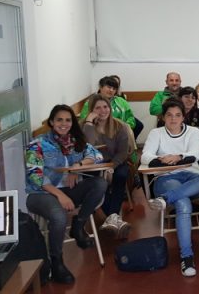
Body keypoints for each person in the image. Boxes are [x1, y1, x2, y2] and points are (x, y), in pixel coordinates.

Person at [25, 105, 107, 284]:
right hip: (41, 193)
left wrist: (76, 167)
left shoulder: (76, 142)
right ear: (52, 122)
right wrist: (60, 196)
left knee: (100, 183)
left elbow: (97, 156)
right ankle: (56, 263)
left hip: (68, 189)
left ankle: (78, 226)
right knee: (59, 217)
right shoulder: (37, 144)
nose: (64, 124)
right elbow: (35, 177)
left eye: (68, 120)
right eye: (59, 120)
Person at [143, 99, 199, 277]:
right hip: (166, 177)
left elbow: (194, 155)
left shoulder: (192, 131)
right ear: (163, 117)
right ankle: (187, 257)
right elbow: (145, 156)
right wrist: (161, 159)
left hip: (192, 177)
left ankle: (166, 199)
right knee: (183, 203)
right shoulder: (156, 133)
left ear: (183, 117)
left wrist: (178, 157)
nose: (173, 119)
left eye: (178, 115)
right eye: (169, 115)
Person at [82, 94, 133, 238]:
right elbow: (87, 147)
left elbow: (123, 153)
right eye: (97, 108)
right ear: (91, 111)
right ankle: (113, 217)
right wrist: (89, 123)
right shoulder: (84, 126)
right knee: (98, 181)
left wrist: (111, 167)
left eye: (105, 107)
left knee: (121, 175)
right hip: (92, 166)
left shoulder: (119, 126)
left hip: (115, 162)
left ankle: (111, 217)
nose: (103, 110)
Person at [111, 74, 145, 139]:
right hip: (115, 122)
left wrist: (126, 125)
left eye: (117, 84)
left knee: (138, 125)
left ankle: (131, 140)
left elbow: (127, 110)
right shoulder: (99, 100)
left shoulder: (121, 96)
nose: (112, 89)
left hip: (124, 116)